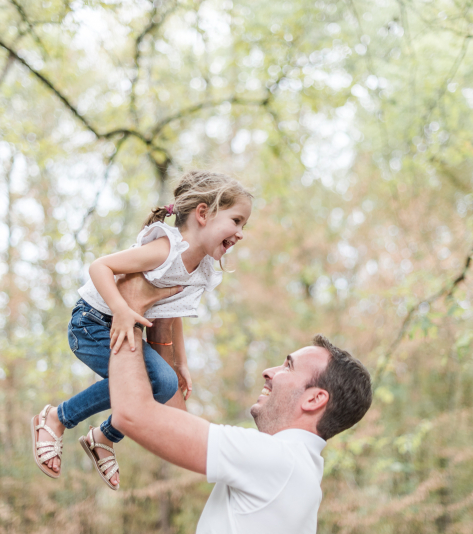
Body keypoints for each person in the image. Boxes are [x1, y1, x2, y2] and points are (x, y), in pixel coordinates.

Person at [30, 170, 253, 489]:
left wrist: (182, 363)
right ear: (203, 214)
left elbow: (172, 313)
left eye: (244, 225)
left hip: (124, 326)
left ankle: (103, 437)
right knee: (155, 381)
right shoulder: (166, 249)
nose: (241, 232)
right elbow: (100, 267)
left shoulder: (201, 268)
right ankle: (59, 418)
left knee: (163, 383)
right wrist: (121, 309)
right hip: (92, 324)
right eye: (236, 221)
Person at [108, 273, 373, 534]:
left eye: (288, 367)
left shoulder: (278, 460)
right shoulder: (296, 469)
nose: (268, 371)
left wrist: (129, 312)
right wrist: (163, 331)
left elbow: (131, 414)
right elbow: (173, 425)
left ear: (314, 399)